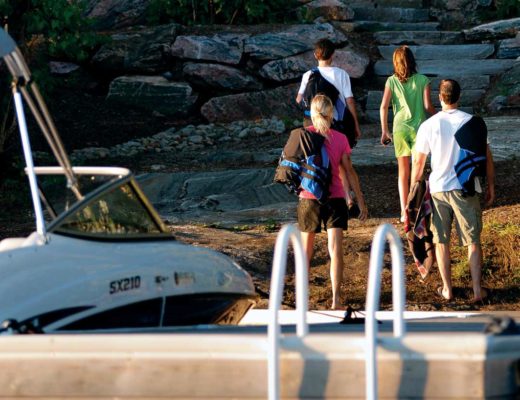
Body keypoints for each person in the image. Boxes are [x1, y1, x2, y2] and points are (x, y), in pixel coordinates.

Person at [411, 79, 495, 302]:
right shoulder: (473, 122)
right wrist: (491, 186)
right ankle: (477, 290)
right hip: (465, 188)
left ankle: (447, 289)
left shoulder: (429, 125)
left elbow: (418, 164)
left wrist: (412, 193)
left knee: (441, 241)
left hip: (438, 189)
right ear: (459, 97)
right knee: (472, 241)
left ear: (440, 97)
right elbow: (486, 157)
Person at [297, 94, 368, 310]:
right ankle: (336, 299)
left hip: (308, 197)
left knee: (305, 252)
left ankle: (302, 299)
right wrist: (360, 201)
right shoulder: (340, 138)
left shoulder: (303, 136)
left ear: (311, 111)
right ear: (331, 113)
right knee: (335, 250)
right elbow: (350, 172)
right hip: (335, 197)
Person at [296, 38, 363, 211]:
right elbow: (349, 101)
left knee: (315, 159)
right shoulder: (341, 74)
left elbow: (299, 99)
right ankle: (347, 198)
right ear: (333, 55)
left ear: (315, 55)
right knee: (341, 161)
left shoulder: (308, 75)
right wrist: (355, 124)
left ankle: (315, 193)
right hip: (335, 123)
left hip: (312, 122)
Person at [380, 45, 435, 222]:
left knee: (402, 171)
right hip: (420, 128)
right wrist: (440, 115)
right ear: (412, 61)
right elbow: (427, 107)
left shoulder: (391, 81)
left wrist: (384, 130)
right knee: (417, 170)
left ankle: (404, 212)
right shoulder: (423, 80)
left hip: (399, 128)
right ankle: (414, 207)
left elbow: (383, 107)